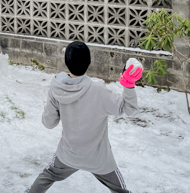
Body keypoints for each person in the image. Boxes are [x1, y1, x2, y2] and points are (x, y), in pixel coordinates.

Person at [26, 41, 142, 193]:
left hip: (68, 155)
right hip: (98, 159)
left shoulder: (57, 88)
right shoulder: (98, 91)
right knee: (119, 189)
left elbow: (49, 123)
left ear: (66, 62)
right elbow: (130, 109)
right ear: (89, 62)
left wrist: (52, 104)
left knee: (49, 175)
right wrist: (128, 85)